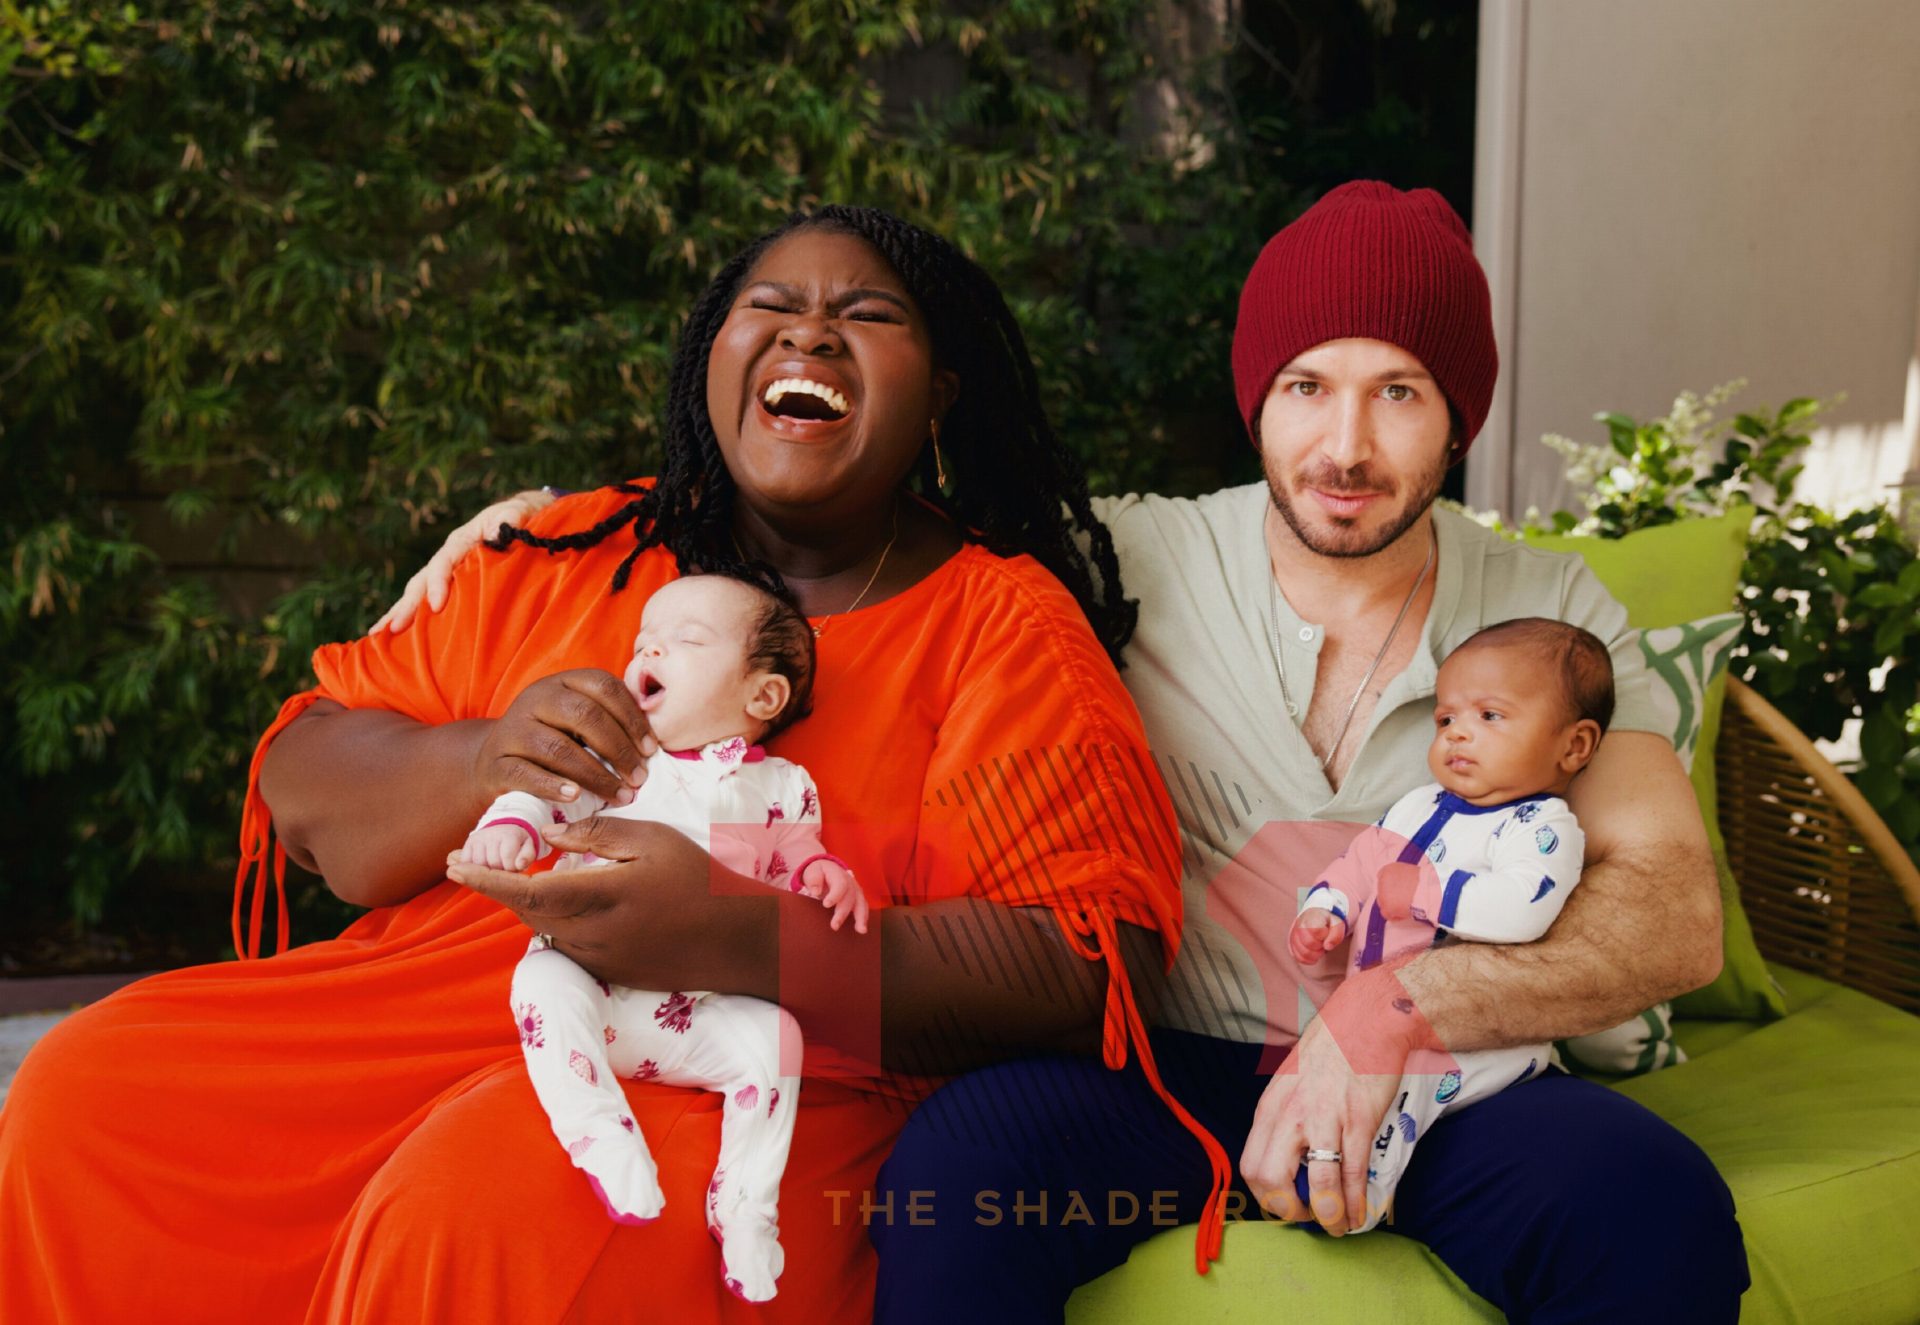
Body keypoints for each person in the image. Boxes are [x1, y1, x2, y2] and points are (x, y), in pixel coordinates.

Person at [363, 183, 1751, 1321]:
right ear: (1253, 398)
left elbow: (1672, 914)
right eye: (1308, 385)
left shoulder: (1555, 612)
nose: (1344, 442)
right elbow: (853, 500)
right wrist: (536, 519)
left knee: (1653, 1207)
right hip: (1157, 1076)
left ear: (1463, 414)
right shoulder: (1117, 560)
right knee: (958, 1178)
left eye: (1400, 393)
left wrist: (1397, 1010)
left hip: (1448, 1080)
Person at [0, 205, 1188, 1325]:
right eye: (769, 303)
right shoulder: (570, 548)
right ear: (711, 364)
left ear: (941, 392)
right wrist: (481, 756)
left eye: (869, 315)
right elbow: (305, 790)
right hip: (428, 1014)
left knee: (474, 1207)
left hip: (755, 1071)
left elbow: (1081, 963)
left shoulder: (998, 626)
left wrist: (736, 931)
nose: (813, 329)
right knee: (88, 1097)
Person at [466, 574, 867, 1301]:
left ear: (763, 698)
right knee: (540, 982)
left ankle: (746, 1204)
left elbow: (796, 856)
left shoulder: (780, 785)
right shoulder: (622, 766)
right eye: (645, 636)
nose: (650, 646)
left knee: (774, 1038)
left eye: (684, 640)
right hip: (598, 989)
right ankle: (597, 1130)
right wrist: (510, 826)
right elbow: (542, 794)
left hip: (692, 1013)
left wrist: (825, 876)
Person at [1283, 616, 1610, 1234]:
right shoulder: (1419, 805)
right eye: (1445, 719)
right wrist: (1328, 908)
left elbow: (1524, 907)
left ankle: (1354, 1199)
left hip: (1472, 1037)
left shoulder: (1543, 828)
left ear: (1574, 746)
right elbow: (1363, 862)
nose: (1459, 732)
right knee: (1345, 1079)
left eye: (1490, 716)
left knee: (1398, 1094)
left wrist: (1431, 893)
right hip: (1383, 1020)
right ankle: (1316, 1161)